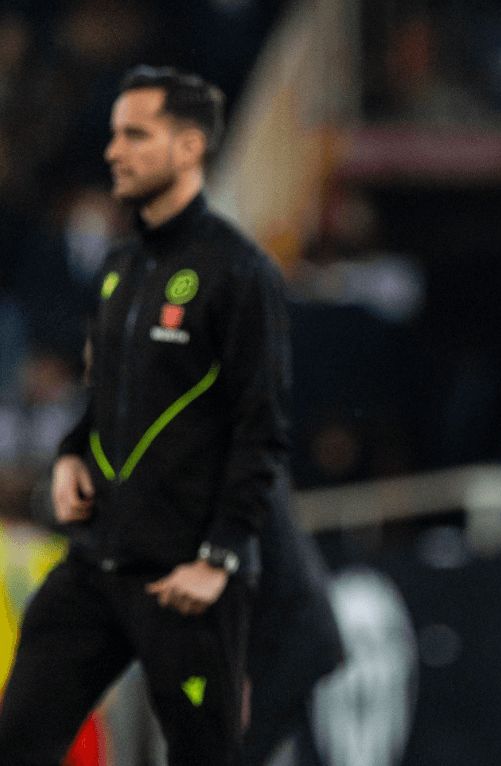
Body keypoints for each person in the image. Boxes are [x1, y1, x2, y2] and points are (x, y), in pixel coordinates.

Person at [0, 65, 290, 766]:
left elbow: (261, 429)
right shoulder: (122, 266)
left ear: (188, 149)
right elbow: (105, 399)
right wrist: (72, 452)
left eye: (136, 136)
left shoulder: (238, 272)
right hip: (100, 560)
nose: (114, 152)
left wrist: (219, 557)